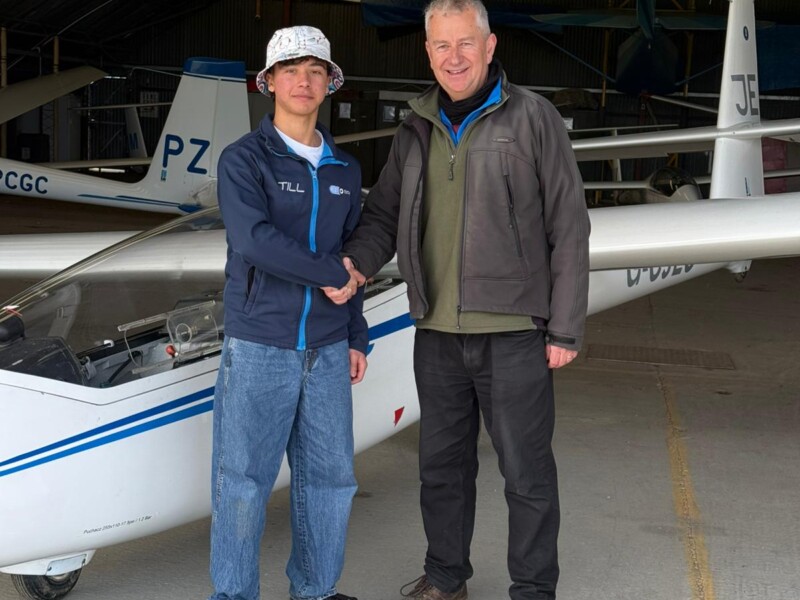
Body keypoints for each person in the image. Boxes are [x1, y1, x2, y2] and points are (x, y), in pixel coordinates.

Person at [333, 1, 590, 598]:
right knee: (441, 471)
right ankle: (447, 579)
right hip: (437, 333)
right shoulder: (414, 125)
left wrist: (565, 329)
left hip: (514, 332)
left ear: (490, 46)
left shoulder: (533, 118)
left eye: (465, 44)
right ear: (428, 52)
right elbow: (383, 213)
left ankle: (533, 589)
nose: (454, 57)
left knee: (526, 474)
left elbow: (569, 225)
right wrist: (353, 265)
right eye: (442, 46)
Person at [209, 25, 367, 600]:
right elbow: (255, 241)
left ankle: (316, 590)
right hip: (260, 348)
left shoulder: (345, 171)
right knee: (243, 484)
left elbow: (352, 258)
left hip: (327, 352)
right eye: (292, 70)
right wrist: (332, 275)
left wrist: (356, 334)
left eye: (316, 71)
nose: (304, 81)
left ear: (329, 84)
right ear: (269, 81)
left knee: (331, 482)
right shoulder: (243, 160)